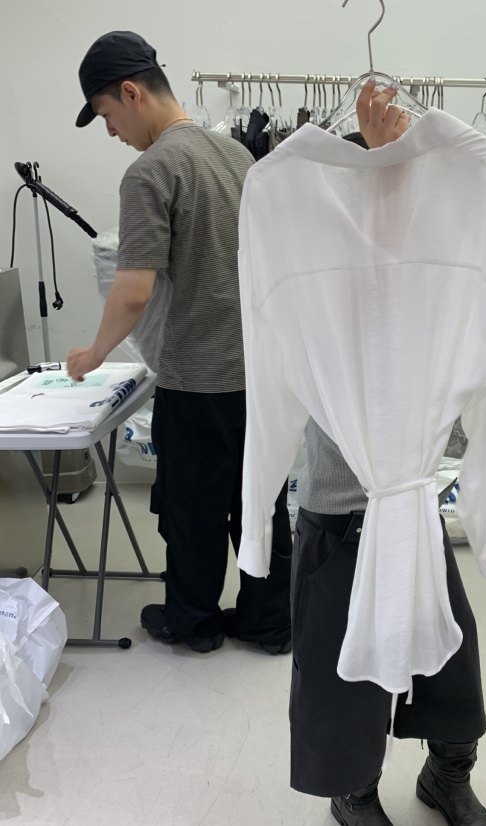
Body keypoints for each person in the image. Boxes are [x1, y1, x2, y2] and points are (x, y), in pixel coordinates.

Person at [285, 86, 486, 826]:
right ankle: (353, 792)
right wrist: (383, 171)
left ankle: (447, 774)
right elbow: (367, 287)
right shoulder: (316, 245)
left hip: (409, 504)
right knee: (342, 679)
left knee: (452, 663)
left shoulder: (429, 260)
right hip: (341, 509)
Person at [68, 31, 292, 656]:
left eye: (107, 114)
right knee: (260, 500)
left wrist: (93, 353)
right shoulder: (238, 157)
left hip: (197, 377)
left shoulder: (151, 171)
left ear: (131, 93)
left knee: (193, 508)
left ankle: (193, 622)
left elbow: (133, 289)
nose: (111, 131)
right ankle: (270, 622)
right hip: (258, 372)